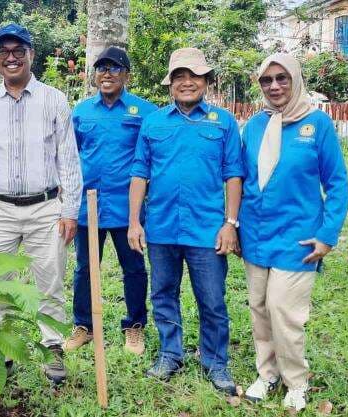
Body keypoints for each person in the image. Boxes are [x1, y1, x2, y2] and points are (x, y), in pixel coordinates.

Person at [0, 23, 82, 385]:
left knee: (50, 279)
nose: (10, 58)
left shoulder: (54, 100)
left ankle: (53, 346)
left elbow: (68, 160)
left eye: (18, 51)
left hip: (46, 207)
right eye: (3, 52)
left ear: (31, 55)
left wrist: (70, 210)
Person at [128, 48, 243, 395]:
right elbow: (139, 173)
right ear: (170, 83)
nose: (187, 82)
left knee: (212, 299)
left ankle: (215, 361)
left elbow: (234, 175)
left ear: (206, 81)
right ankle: (170, 353)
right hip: (161, 227)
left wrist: (231, 223)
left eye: (194, 75)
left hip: (207, 229)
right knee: (163, 293)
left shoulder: (223, 122)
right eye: (179, 75)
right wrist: (134, 221)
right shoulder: (154, 122)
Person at [240, 53, 348, 412]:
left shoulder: (317, 124)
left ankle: (296, 381)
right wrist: (236, 226)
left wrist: (327, 234)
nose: (274, 86)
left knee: (283, 309)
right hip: (256, 234)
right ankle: (267, 373)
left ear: (296, 80)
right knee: (259, 308)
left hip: (298, 237)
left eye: (282, 78)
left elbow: (337, 183)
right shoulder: (255, 125)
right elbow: (243, 179)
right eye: (267, 80)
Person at [63, 46, 157, 355]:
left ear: (127, 75)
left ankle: (134, 325)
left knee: (133, 267)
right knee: (84, 268)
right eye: (101, 68)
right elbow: (70, 157)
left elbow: (153, 159)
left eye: (114, 68)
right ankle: (84, 326)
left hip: (127, 208)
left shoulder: (144, 112)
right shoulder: (80, 111)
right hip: (87, 206)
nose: (107, 73)